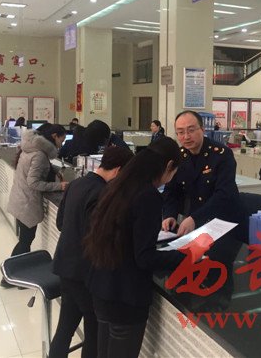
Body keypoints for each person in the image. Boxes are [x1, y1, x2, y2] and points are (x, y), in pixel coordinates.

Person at [83, 137, 185, 358]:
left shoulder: (116, 186)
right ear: (169, 165)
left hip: (101, 286)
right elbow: (145, 257)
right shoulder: (148, 196)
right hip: (125, 296)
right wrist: (184, 256)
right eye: (174, 172)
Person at [50, 146, 134, 358]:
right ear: (118, 170)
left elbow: (60, 223)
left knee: (65, 328)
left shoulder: (76, 184)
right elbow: (99, 238)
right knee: (93, 333)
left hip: (65, 266)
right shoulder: (103, 193)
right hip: (86, 274)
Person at [3, 124, 69, 287]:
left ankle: (15, 277)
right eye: (62, 140)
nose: (62, 144)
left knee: (24, 239)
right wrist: (59, 186)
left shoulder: (31, 147)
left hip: (20, 198)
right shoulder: (40, 154)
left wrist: (53, 169)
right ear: (54, 136)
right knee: (25, 241)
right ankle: (10, 278)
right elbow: (33, 182)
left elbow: (32, 168)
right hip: (27, 202)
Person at [162, 110, 246, 237]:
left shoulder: (221, 154)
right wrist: (169, 215)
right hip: (195, 225)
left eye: (191, 130)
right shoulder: (179, 156)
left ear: (202, 129)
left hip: (222, 223)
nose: (186, 137)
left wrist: (195, 218)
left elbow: (224, 194)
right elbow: (171, 190)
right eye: (180, 132)